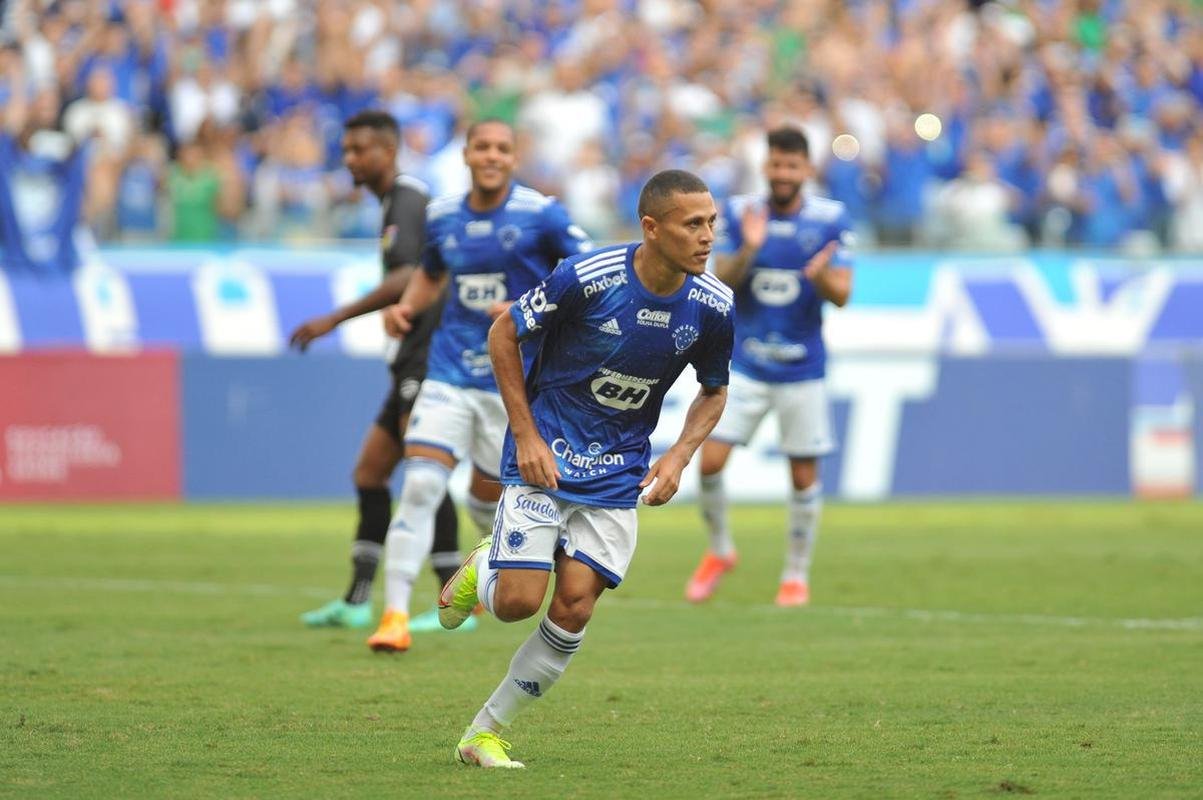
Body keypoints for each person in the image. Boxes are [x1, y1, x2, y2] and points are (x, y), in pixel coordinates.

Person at [437, 169, 735, 768]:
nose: (707, 237)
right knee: (518, 603)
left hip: (618, 473)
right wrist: (525, 434)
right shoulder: (587, 277)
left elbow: (713, 389)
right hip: (545, 454)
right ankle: (485, 566)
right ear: (652, 228)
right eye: (692, 224)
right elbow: (503, 333)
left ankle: (483, 733)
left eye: (711, 223)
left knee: (574, 608)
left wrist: (679, 455)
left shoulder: (713, 305)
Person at [369, 118, 592, 653]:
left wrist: (531, 307)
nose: (491, 156)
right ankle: (394, 616)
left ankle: (485, 564)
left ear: (513, 159)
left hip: (510, 385)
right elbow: (431, 273)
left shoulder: (542, 214)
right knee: (421, 485)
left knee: (487, 506)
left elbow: (588, 272)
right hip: (448, 374)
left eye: (502, 148)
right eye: (482, 147)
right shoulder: (443, 215)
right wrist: (406, 307)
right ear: (466, 155)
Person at [291, 110, 464, 633]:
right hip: (411, 353)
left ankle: (458, 600)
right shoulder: (394, 201)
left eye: (359, 150)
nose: (350, 159)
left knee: (425, 468)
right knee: (370, 473)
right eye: (346, 150)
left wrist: (334, 318)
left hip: (426, 352)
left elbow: (409, 275)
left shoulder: (407, 199)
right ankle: (356, 600)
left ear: (387, 152)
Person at [685, 125, 853, 608]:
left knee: (802, 476)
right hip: (747, 364)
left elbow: (843, 294)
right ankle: (720, 551)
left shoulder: (830, 219)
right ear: (765, 166)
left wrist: (821, 278)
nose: (782, 173)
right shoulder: (742, 213)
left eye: (791, 166)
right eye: (776, 164)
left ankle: (795, 575)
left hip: (803, 368)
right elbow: (720, 279)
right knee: (710, 462)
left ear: (807, 169)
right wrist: (751, 248)